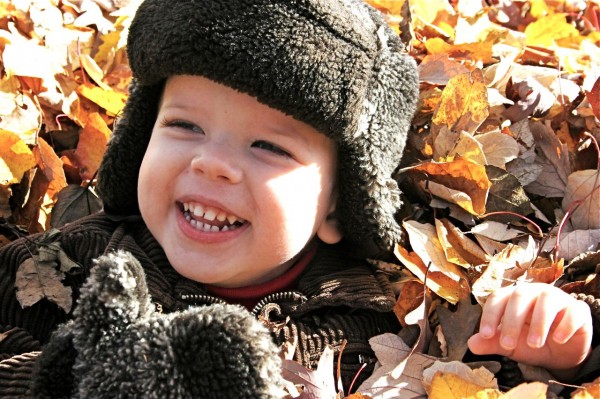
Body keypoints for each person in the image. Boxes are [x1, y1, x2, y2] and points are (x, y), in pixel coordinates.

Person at [0, 0, 596, 396]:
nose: (212, 162)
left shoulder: (391, 308)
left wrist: (559, 346)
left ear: (340, 205)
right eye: (184, 126)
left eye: (268, 146)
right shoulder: (63, 268)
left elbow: (483, 371)